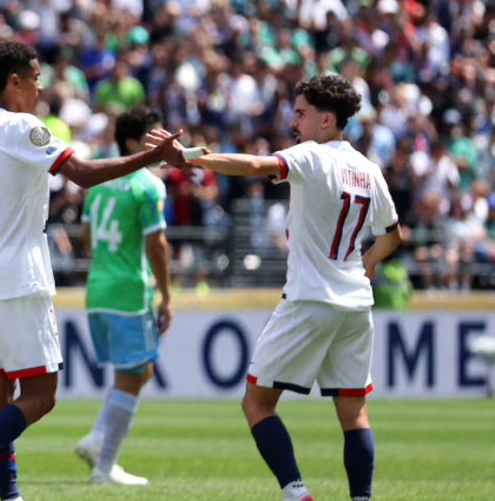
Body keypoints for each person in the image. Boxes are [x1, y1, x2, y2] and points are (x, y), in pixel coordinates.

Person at [0, 41, 187, 501]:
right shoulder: (21, 127)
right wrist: (152, 158)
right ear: (14, 81)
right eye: (35, 78)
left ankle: (9, 495)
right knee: (41, 394)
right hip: (19, 279)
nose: (40, 87)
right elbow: (83, 173)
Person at [156, 73, 402, 501]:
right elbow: (393, 235)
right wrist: (366, 264)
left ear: (326, 120)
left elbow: (255, 165)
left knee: (256, 403)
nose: (293, 121)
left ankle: (296, 493)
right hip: (355, 304)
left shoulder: (312, 155)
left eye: (301, 113)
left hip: (310, 299)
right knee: (354, 413)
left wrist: (190, 158)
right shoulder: (368, 169)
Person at [74, 105, 172, 486]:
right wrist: (167, 294)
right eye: (154, 137)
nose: (162, 144)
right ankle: (104, 466)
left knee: (138, 370)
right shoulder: (148, 185)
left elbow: (85, 237)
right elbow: (157, 245)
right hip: (129, 291)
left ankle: (96, 439)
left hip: (98, 289)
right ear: (133, 144)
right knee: (133, 374)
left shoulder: (98, 181)